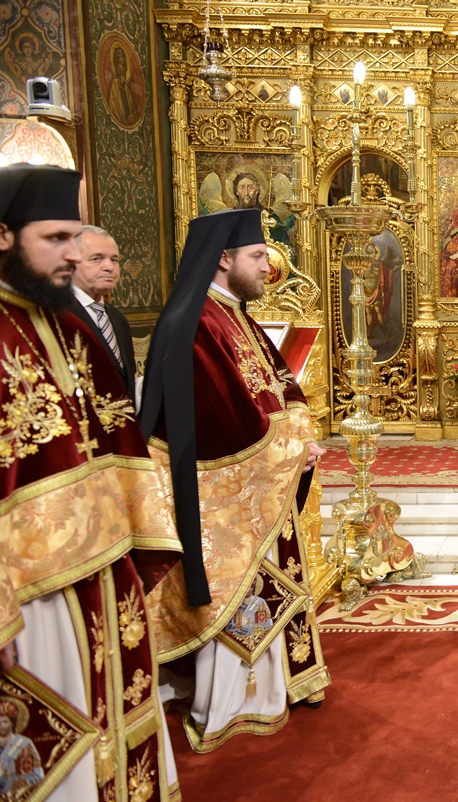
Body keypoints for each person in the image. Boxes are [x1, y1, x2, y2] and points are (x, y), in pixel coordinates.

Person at [0, 164, 180, 800]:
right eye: (56, 239)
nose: (74, 256)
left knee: (117, 729)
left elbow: (117, 443)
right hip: (33, 595)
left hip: (105, 579)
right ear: (3, 236)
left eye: (75, 238)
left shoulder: (68, 327)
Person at [140, 208, 331, 753]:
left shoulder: (233, 313)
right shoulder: (197, 322)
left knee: (270, 578)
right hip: (227, 491)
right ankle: (237, 701)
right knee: (242, 587)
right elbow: (223, 419)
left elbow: (281, 385)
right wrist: (291, 447)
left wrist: (300, 435)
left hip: (263, 479)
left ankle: (281, 684)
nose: (269, 267)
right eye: (257, 257)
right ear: (224, 259)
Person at [66, 224, 138, 401]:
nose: (109, 267)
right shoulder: (58, 315)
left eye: (114, 260)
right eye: (96, 259)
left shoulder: (118, 319)